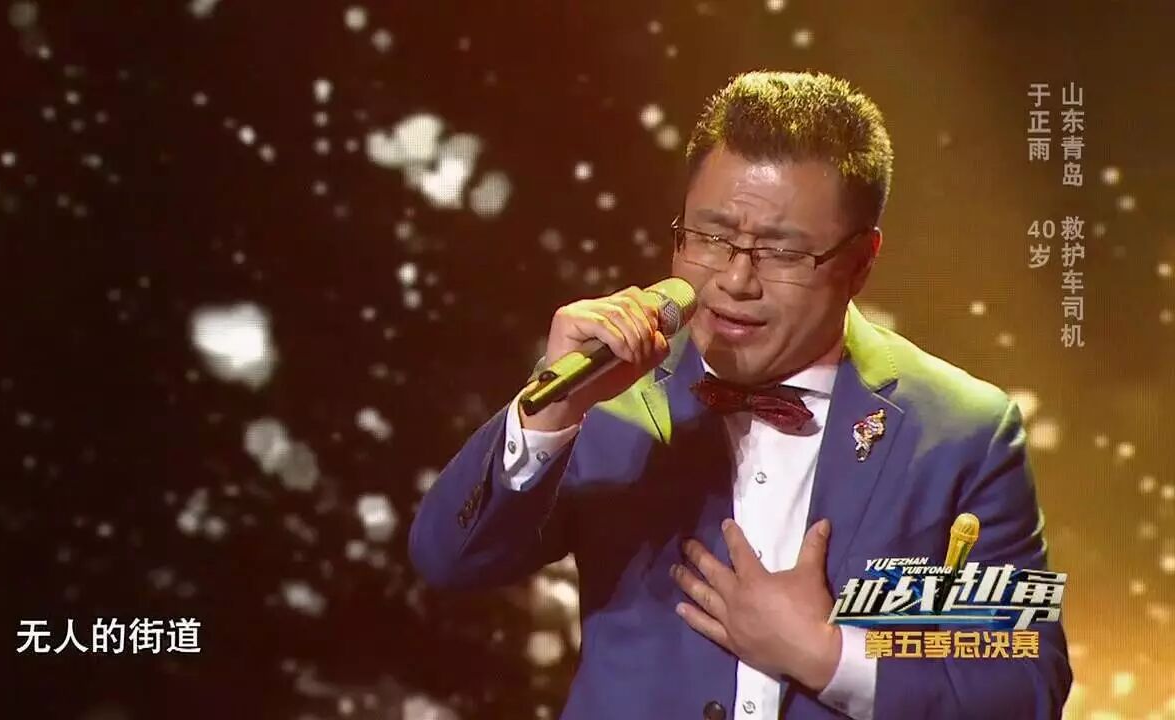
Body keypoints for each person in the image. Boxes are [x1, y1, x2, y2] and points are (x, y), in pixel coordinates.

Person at [409, 70, 1071, 720]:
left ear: (861, 262)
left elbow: (1025, 684)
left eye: (782, 253)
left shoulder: (959, 432)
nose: (734, 280)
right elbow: (447, 561)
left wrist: (828, 656)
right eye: (711, 237)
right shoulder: (604, 392)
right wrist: (551, 409)